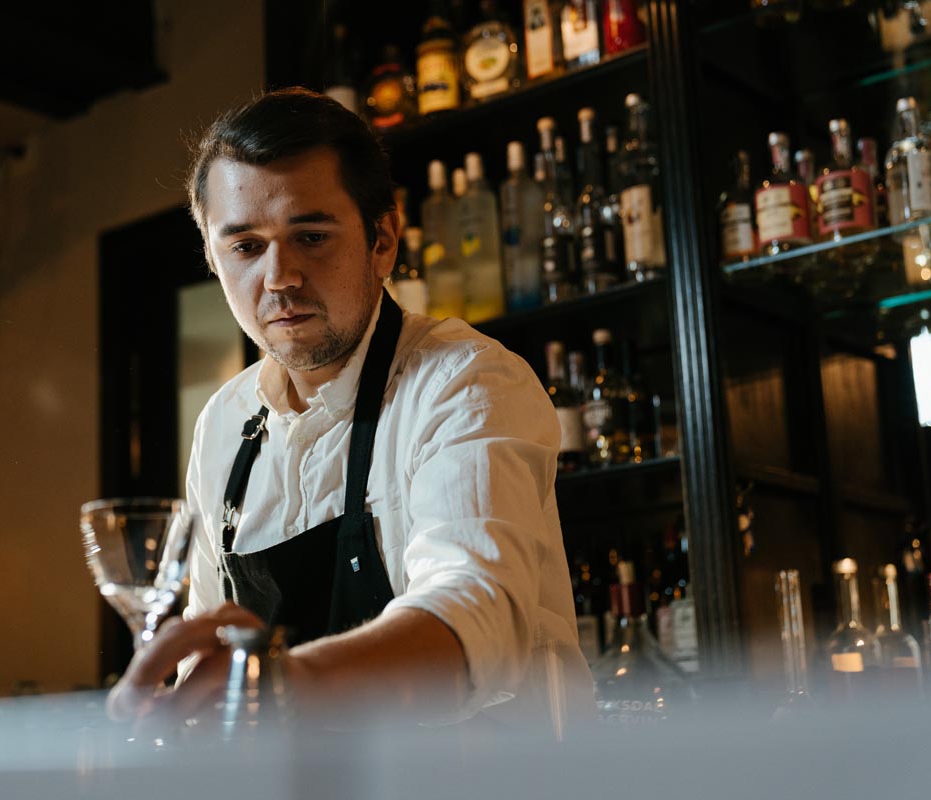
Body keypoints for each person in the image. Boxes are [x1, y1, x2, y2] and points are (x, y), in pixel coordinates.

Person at [108, 87, 590, 728]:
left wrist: (272, 688)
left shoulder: (465, 381)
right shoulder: (224, 422)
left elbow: (476, 609)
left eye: (310, 236)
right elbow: (211, 642)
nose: (279, 277)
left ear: (383, 239)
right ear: (212, 258)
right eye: (246, 247)